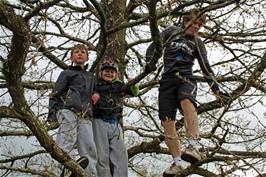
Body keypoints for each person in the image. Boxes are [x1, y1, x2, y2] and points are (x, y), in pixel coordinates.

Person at [145, 8, 229, 175]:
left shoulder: (198, 43)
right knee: (167, 121)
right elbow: (153, 47)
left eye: (200, 24)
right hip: (167, 80)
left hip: (186, 78)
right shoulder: (172, 31)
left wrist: (216, 90)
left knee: (186, 101)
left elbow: (206, 68)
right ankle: (177, 162)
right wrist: (149, 64)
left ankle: (194, 145)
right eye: (194, 22)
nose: (197, 26)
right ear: (185, 20)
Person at [47, 44, 97, 177]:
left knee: (89, 145)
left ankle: (90, 173)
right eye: (76, 52)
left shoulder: (91, 76)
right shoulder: (66, 73)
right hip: (68, 109)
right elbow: (55, 93)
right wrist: (53, 114)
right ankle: (66, 167)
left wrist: (97, 93)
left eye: (83, 52)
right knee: (67, 139)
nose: (80, 54)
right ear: (71, 57)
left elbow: (98, 90)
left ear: (87, 57)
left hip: (86, 114)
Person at [91, 61, 139, 177]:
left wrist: (133, 83)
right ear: (101, 73)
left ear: (116, 74)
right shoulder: (95, 83)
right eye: (106, 71)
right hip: (99, 120)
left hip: (115, 122)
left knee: (120, 154)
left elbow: (135, 93)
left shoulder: (119, 85)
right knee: (102, 154)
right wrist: (93, 93)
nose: (109, 73)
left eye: (112, 72)